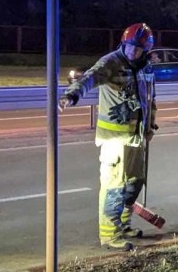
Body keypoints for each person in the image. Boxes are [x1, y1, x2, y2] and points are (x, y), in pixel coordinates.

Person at [58, 23, 157, 249]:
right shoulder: (111, 62)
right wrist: (71, 95)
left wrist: (150, 126)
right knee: (114, 186)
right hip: (114, 139)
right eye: (130, 46)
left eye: (138, 49)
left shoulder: (145, 68)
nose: (132, 52)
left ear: (146, 50)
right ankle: (110, 235)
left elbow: (150, 99)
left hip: (136, 137)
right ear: (123, 43)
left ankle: (123, 225)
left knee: (135, 182)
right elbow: (89, 78)